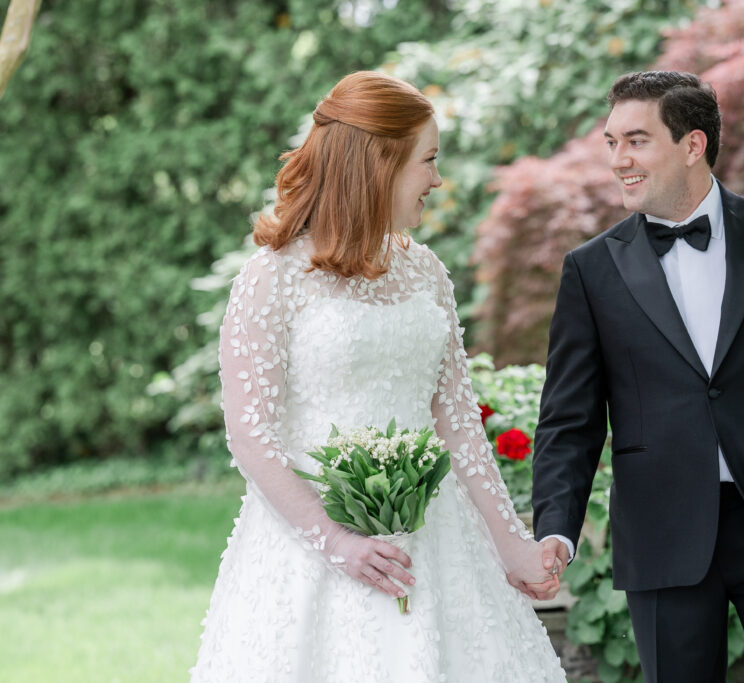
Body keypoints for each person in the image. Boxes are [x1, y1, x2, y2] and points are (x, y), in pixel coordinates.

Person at [191, 71, 566, 683]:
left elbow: (458, 425)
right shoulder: (272, 277)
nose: (438, 180)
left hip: (440, 542)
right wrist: (336, 543)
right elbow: (251, 437)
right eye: (429, 160)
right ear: (378, 163)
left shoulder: (427, 274)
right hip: (310, 553)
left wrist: (513, 545)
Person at [531, 71, 744, 682]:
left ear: (693, 145)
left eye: (636, 141)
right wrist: (556, 527)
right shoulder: (590, 270)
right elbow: (570, 419)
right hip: (662, 531)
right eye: (611, 143)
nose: (619, 160)